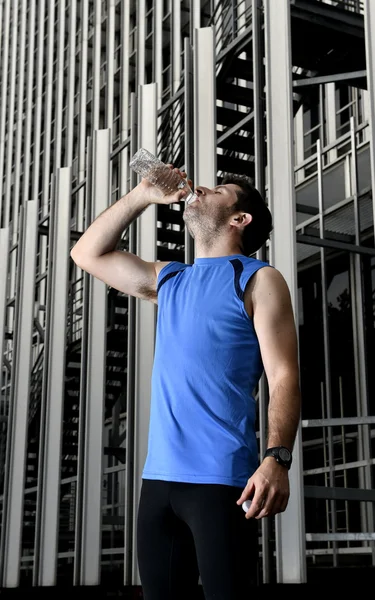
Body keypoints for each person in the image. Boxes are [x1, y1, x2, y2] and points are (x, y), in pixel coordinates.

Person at [70, 164, 301, 600]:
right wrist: (142, 195)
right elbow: (86, 254)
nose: (202, 190)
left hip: (222, 481)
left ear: (239, 219)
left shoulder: (256, 278)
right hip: (158, 482)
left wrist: (277, 458)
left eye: (217, 190)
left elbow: (284, 375)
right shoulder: (170, 278)